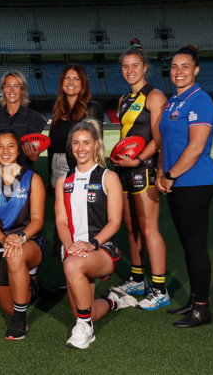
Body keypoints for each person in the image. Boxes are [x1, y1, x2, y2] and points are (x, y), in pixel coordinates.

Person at [55, 120, 137, 349]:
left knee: (72, 267)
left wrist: (91, 244)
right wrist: (70, 246)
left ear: (96, 145)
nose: (80, 148)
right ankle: (113, 300)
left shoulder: (108, 177)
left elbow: (115, 222)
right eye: (75, 143)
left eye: (86, 143)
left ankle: (86, 331)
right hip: (73, 251)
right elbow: (61, 221)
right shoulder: (63, 181)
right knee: (83, 309)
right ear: (70, 146)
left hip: (101, 250)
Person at [156, 44, 213, 328]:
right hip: (176, 181)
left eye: (185, 67)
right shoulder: (172, 101)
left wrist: (169, 175)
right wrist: (161, 171)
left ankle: (202, 309)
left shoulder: (201, 100)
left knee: (196, 246)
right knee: (187, 245)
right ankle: (194, 300)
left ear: (196, 70)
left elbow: (195, 148)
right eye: (174, 67)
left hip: (195, 181)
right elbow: (165, 143)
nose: (179, 71)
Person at [111, 39, 169, 310]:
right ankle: (137, 279)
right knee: (131, 226)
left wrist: (141, 160)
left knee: (149, 229)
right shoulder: (124, 99)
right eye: (125, 66)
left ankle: (159, 289)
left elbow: (159, 138)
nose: (129, 70)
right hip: (123, 171)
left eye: (135, 65)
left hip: (143, 170)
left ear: (145, 67)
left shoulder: (154, 95)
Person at [0, 129, 45, 340]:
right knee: (9, 306)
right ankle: (33, 288)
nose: (5, 151)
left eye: (11, 146)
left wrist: (20, 238)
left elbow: (37, 219)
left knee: (16, 256)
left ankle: (19, 323)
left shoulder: (32, 179)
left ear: (18, 150)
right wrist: (4, 239)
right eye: (0, 146)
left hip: (29, 242)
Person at [48, 63, 103, 190]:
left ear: (83, 83)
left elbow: (95, 145)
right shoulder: (58, 109)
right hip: (56, 168)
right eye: (67, 78)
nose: (70, 82)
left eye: (76, 79)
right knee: (61, 208)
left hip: (79, 166)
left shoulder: (92, 108)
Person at [0, 70, 46, 169]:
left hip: (24, 177)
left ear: (22, 89)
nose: (12, 90)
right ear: (3, 89)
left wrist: (32, 154)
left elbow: (34, 157)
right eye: (8, 86)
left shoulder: (34, 118)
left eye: (16, 86)